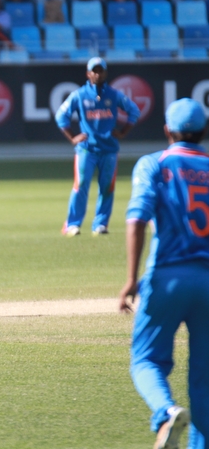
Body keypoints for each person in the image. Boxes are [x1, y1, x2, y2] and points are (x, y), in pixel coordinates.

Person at [120, 97, 209, 449]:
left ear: (167, 131)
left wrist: (130, 279)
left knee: (145, 360)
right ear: (205, 131)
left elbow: (136, 219)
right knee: (205, 382)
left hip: (167, 278)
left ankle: (166, 412)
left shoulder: (153, 164)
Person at [55, 57, 140, 236]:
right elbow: (61, 116)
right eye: (94, 70)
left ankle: (100, 224)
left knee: (107, 187)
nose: (97, 74)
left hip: (109, 149)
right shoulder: (79, 95)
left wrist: (123, 131)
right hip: (86, 148)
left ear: (105, 73)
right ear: (88, 73)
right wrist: (72, 137)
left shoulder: (114, 94)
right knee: (81, 184)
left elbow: (134, 110)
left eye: (100, 70)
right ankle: (72, 224)